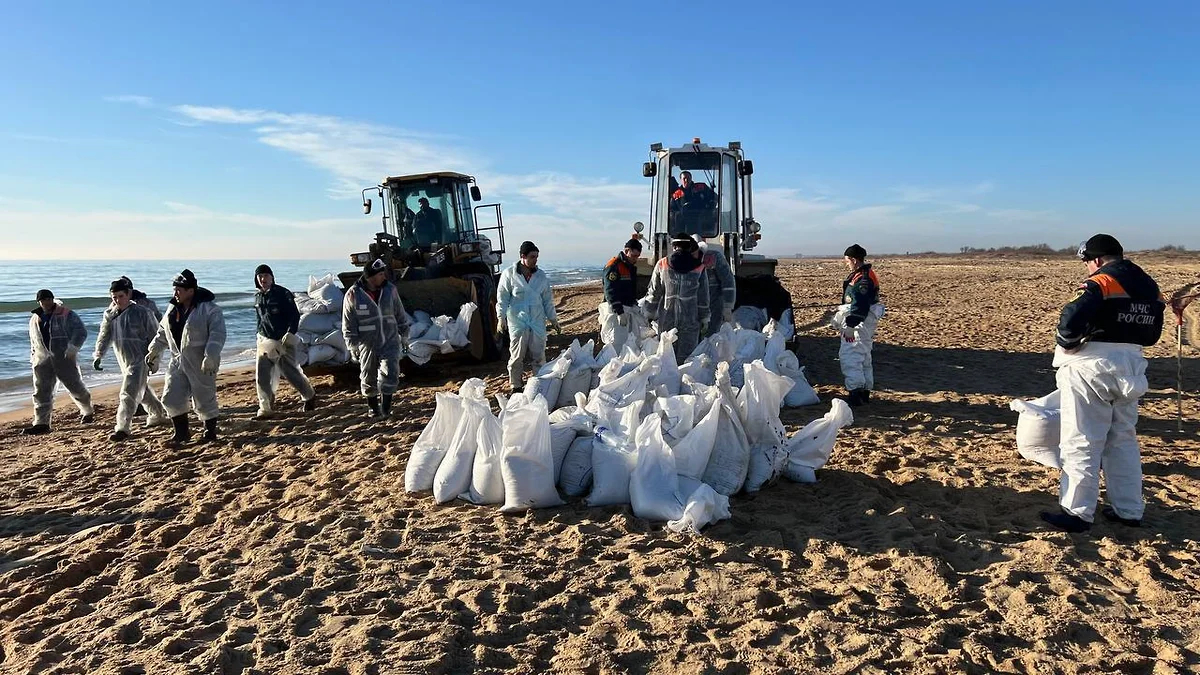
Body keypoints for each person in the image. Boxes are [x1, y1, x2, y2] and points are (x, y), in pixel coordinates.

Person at [1040, 234, 1164, 533]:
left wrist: (1069, 343)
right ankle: (1129, 510)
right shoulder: (1149, 286)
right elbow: (1152, 335)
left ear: (1095, 259)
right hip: (1132, 366)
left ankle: (1077, 512)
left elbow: (1069, 321)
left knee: (1082, 438)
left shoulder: (1102, 281)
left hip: (1091, 366)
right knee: (1122, 440)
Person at [147, 269, 227, 447]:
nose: (175, 293)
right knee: (171, 396)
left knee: (204, 396)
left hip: (201, 361)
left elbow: (217, 334)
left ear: (191, 290)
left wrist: (211, 355)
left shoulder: (209, 309)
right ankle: (181, 433)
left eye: (179, 290)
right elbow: (162, 332)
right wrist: (153, 350)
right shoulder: (172, 309)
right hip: (177, 360)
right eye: (174, 289)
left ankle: (210, 432)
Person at [92, 277, 167, 441]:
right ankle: (158, 414)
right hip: (123, 359)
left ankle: (122, 428)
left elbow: (157, 337)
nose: (117, 300)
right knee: (142, 390)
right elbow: (104, 336)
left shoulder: (142, 312)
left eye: (121, 296)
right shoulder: (110, 314)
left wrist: (154, 358)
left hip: (141, 358)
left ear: (128, 294)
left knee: (128, 393)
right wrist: (99, 354)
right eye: (114, 297)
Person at [342, 258, 410, 418]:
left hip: (390, 338)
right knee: (368, 374)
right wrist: (352, 346)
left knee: (391, 371)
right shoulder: (353, 294)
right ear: (370, 276)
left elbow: (400, 313)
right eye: (380, 274)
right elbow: (348, 321)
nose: (383, 277)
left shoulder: (390, 290)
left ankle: (386, 407)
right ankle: (373, 407)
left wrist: (404, 334)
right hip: (367, 342)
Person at [24, 289, 93, 434]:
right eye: (43, 300)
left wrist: (72, 349)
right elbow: (34, 340)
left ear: (53, 299)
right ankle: (41, 423)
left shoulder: (66, 314)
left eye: (49, 299)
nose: (47, 302)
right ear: (39, 302)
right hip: (42, 360)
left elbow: (80, 331)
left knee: (75, 387)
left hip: (64, 358)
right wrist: (33, 356)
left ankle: (87, 410)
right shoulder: (35, 319)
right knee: (41, 391)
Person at [253, 264, 317, 418]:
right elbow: (260, 319)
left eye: (266, 276)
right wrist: (258, 335)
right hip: (265, 340)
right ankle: (266, 407)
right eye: (260, 276)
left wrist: (290, 333)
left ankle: (309, 396)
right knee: (262, 375)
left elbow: (294, 316)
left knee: (290, 372)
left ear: (272, 277)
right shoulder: (258, 296)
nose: (263, 279)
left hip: (282, 340)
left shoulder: (282, 294)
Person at [497, 241, 559, 389]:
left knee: (539, 356)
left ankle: (539, 384)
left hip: (537, 322)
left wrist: (553, 319)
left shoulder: (541, 276)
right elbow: (502, 297)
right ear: (522, 257)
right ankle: (516, 385)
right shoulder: (509, 275)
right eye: (532, 257)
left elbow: (547, 300)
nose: (535, 260)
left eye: (537, 257)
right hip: (517, 322)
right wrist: (501, 317)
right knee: (517, 356)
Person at [642, 234, 710, 360]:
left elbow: (654, 293)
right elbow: (703, 297)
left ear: (674, 246)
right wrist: (705, 318)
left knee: (667, 358)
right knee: (688, 359)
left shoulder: (662, 264)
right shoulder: (699, 267)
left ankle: (667, 380)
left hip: (667, 320)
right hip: (690, 320)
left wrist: (649, 313)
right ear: (690, 248)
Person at [116, 275, 168, 424]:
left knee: (135, 381)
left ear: (129, 290)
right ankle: (156, 411)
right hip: (125, 350)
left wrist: (156, 349)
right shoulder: (118, 304)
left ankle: (127, 421)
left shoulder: (145, 305)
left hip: (145, 347)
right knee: (138, 382)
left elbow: (159, 324)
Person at [837, 244, 884, 407]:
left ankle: (855, 393)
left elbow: (860, 305)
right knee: (864, 355)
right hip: (865, 321)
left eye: (847, 261)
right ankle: (864, 391)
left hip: (859, 321)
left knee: (851, 355)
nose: (846, 264)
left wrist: (850, 326)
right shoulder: (864, 275)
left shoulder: (862, 279)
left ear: (854, 260)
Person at [602, 238, 642, 347]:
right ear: (626, 251)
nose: (635, 259)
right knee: (617, 341)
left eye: (637, 256)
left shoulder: (630, 267)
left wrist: (634, 303)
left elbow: (631, 288)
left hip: (628, 307)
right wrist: (619, 312)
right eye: (633, 256)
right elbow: (610, 290)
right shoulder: (614, 266)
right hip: (617, 310)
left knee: (631, 339)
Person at [697, 234, 736, 331]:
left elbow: (728, 282)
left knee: (712, 334)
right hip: (693, 308)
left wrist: (728, 306)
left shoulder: (715, 258)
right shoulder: (684, 261)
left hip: (713, 305)